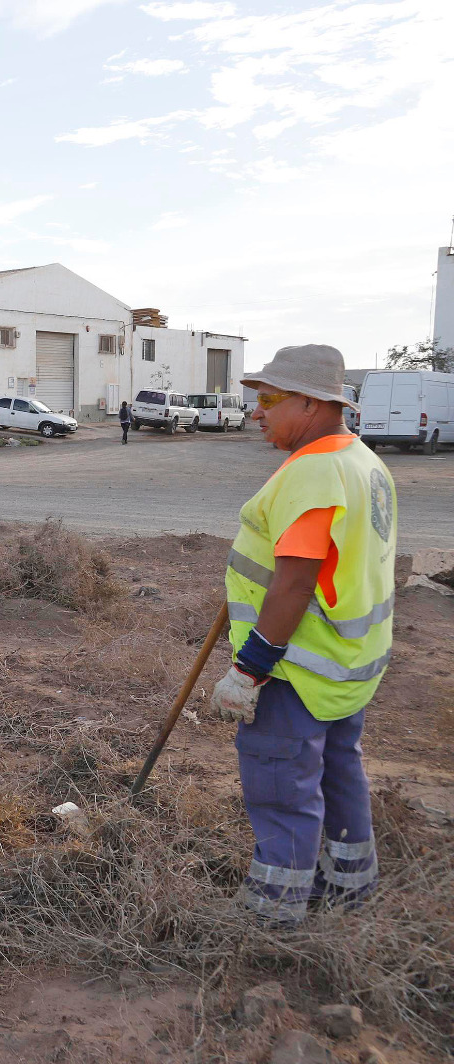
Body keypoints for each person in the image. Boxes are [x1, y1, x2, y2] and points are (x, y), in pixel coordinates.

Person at [209, 344, 395, 925]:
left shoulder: (315, 470)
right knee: (339, 772)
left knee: (282, 784)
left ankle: (274, 911)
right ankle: (350, 888)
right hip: (348, 666)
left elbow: (294, 582)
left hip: (298, 669)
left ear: (312, 403)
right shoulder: (361, 459)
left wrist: (249, 670)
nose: (257, 412)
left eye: (268, 400)